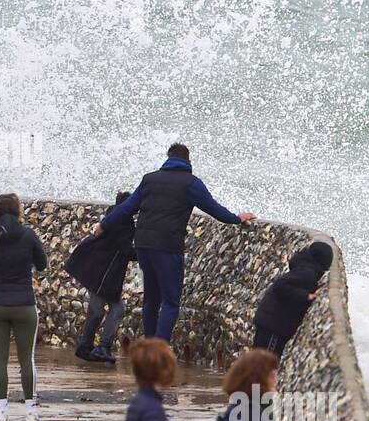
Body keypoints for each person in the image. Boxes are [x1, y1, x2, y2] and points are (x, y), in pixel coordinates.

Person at [95, 144, 256, 341]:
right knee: (170, 301)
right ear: (188, 160)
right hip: (168, 247)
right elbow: (213, 208)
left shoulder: (149, 180)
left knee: (151, 300)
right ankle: (159, 349)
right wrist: (236, 218)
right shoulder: (191, 183)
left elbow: (126, 208)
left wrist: (104, 224)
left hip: (143, 245)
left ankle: (149, 345)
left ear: (168, 158)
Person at [0, 194, 48, 421]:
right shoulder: (28, 235)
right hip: (24, 305)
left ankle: (1, 412)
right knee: (27, 360)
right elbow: (43, 264)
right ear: (18, 211)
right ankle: (30, 412)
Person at [64, 190, 136, 363]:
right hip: (103, 275)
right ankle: (101, 347)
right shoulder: (123, 222)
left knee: (98, 311)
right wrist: (147, 254)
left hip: (97, 272)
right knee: (112, 309)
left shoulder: (112, 218)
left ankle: (87, 346)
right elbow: (126, 250)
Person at [252, 241, 333, 357]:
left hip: (270, 320)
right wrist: (306, 296)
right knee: (264, 362)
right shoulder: (308, 273)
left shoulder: (305, 267)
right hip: (274, 325)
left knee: (257, 361)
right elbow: (280, 285)